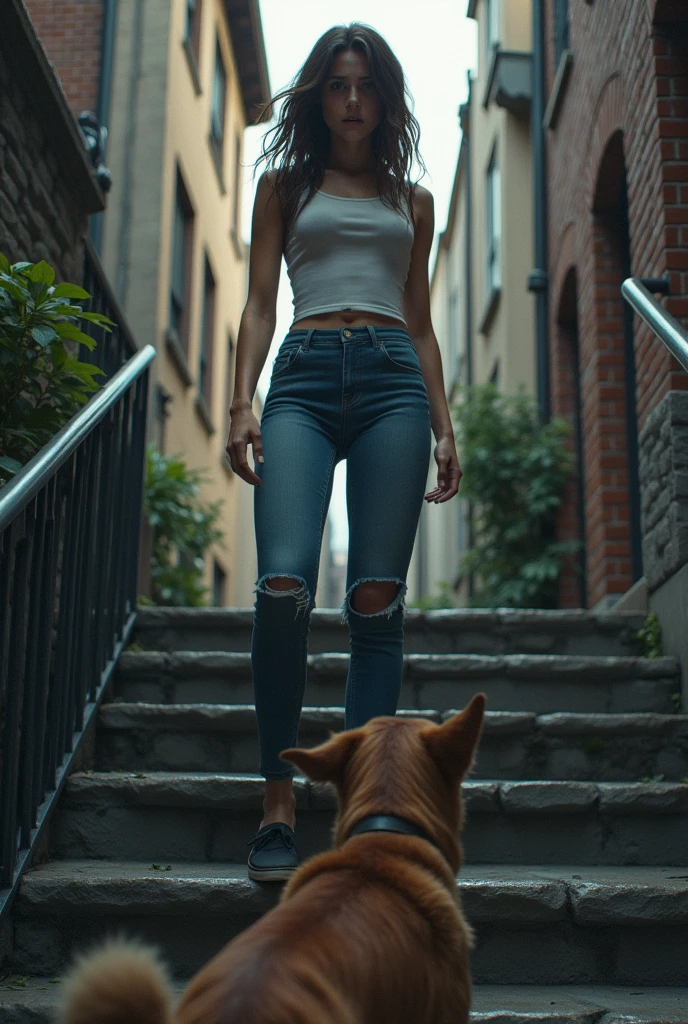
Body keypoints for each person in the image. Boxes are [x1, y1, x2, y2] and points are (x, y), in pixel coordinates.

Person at [226, 23, 462, 882]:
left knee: (374, 598)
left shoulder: (416, 203)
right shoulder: (284, 187)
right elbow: (258, 305)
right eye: (336, 84)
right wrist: (238, 399)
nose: (352, 99)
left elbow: (425, 323)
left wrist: (445, 424)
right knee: (284, 581)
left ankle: (365, 810)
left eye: (365, 84)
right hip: (304, 377)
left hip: (396, 380)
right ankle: (279, 800)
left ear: (385, 96)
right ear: (318, 97)